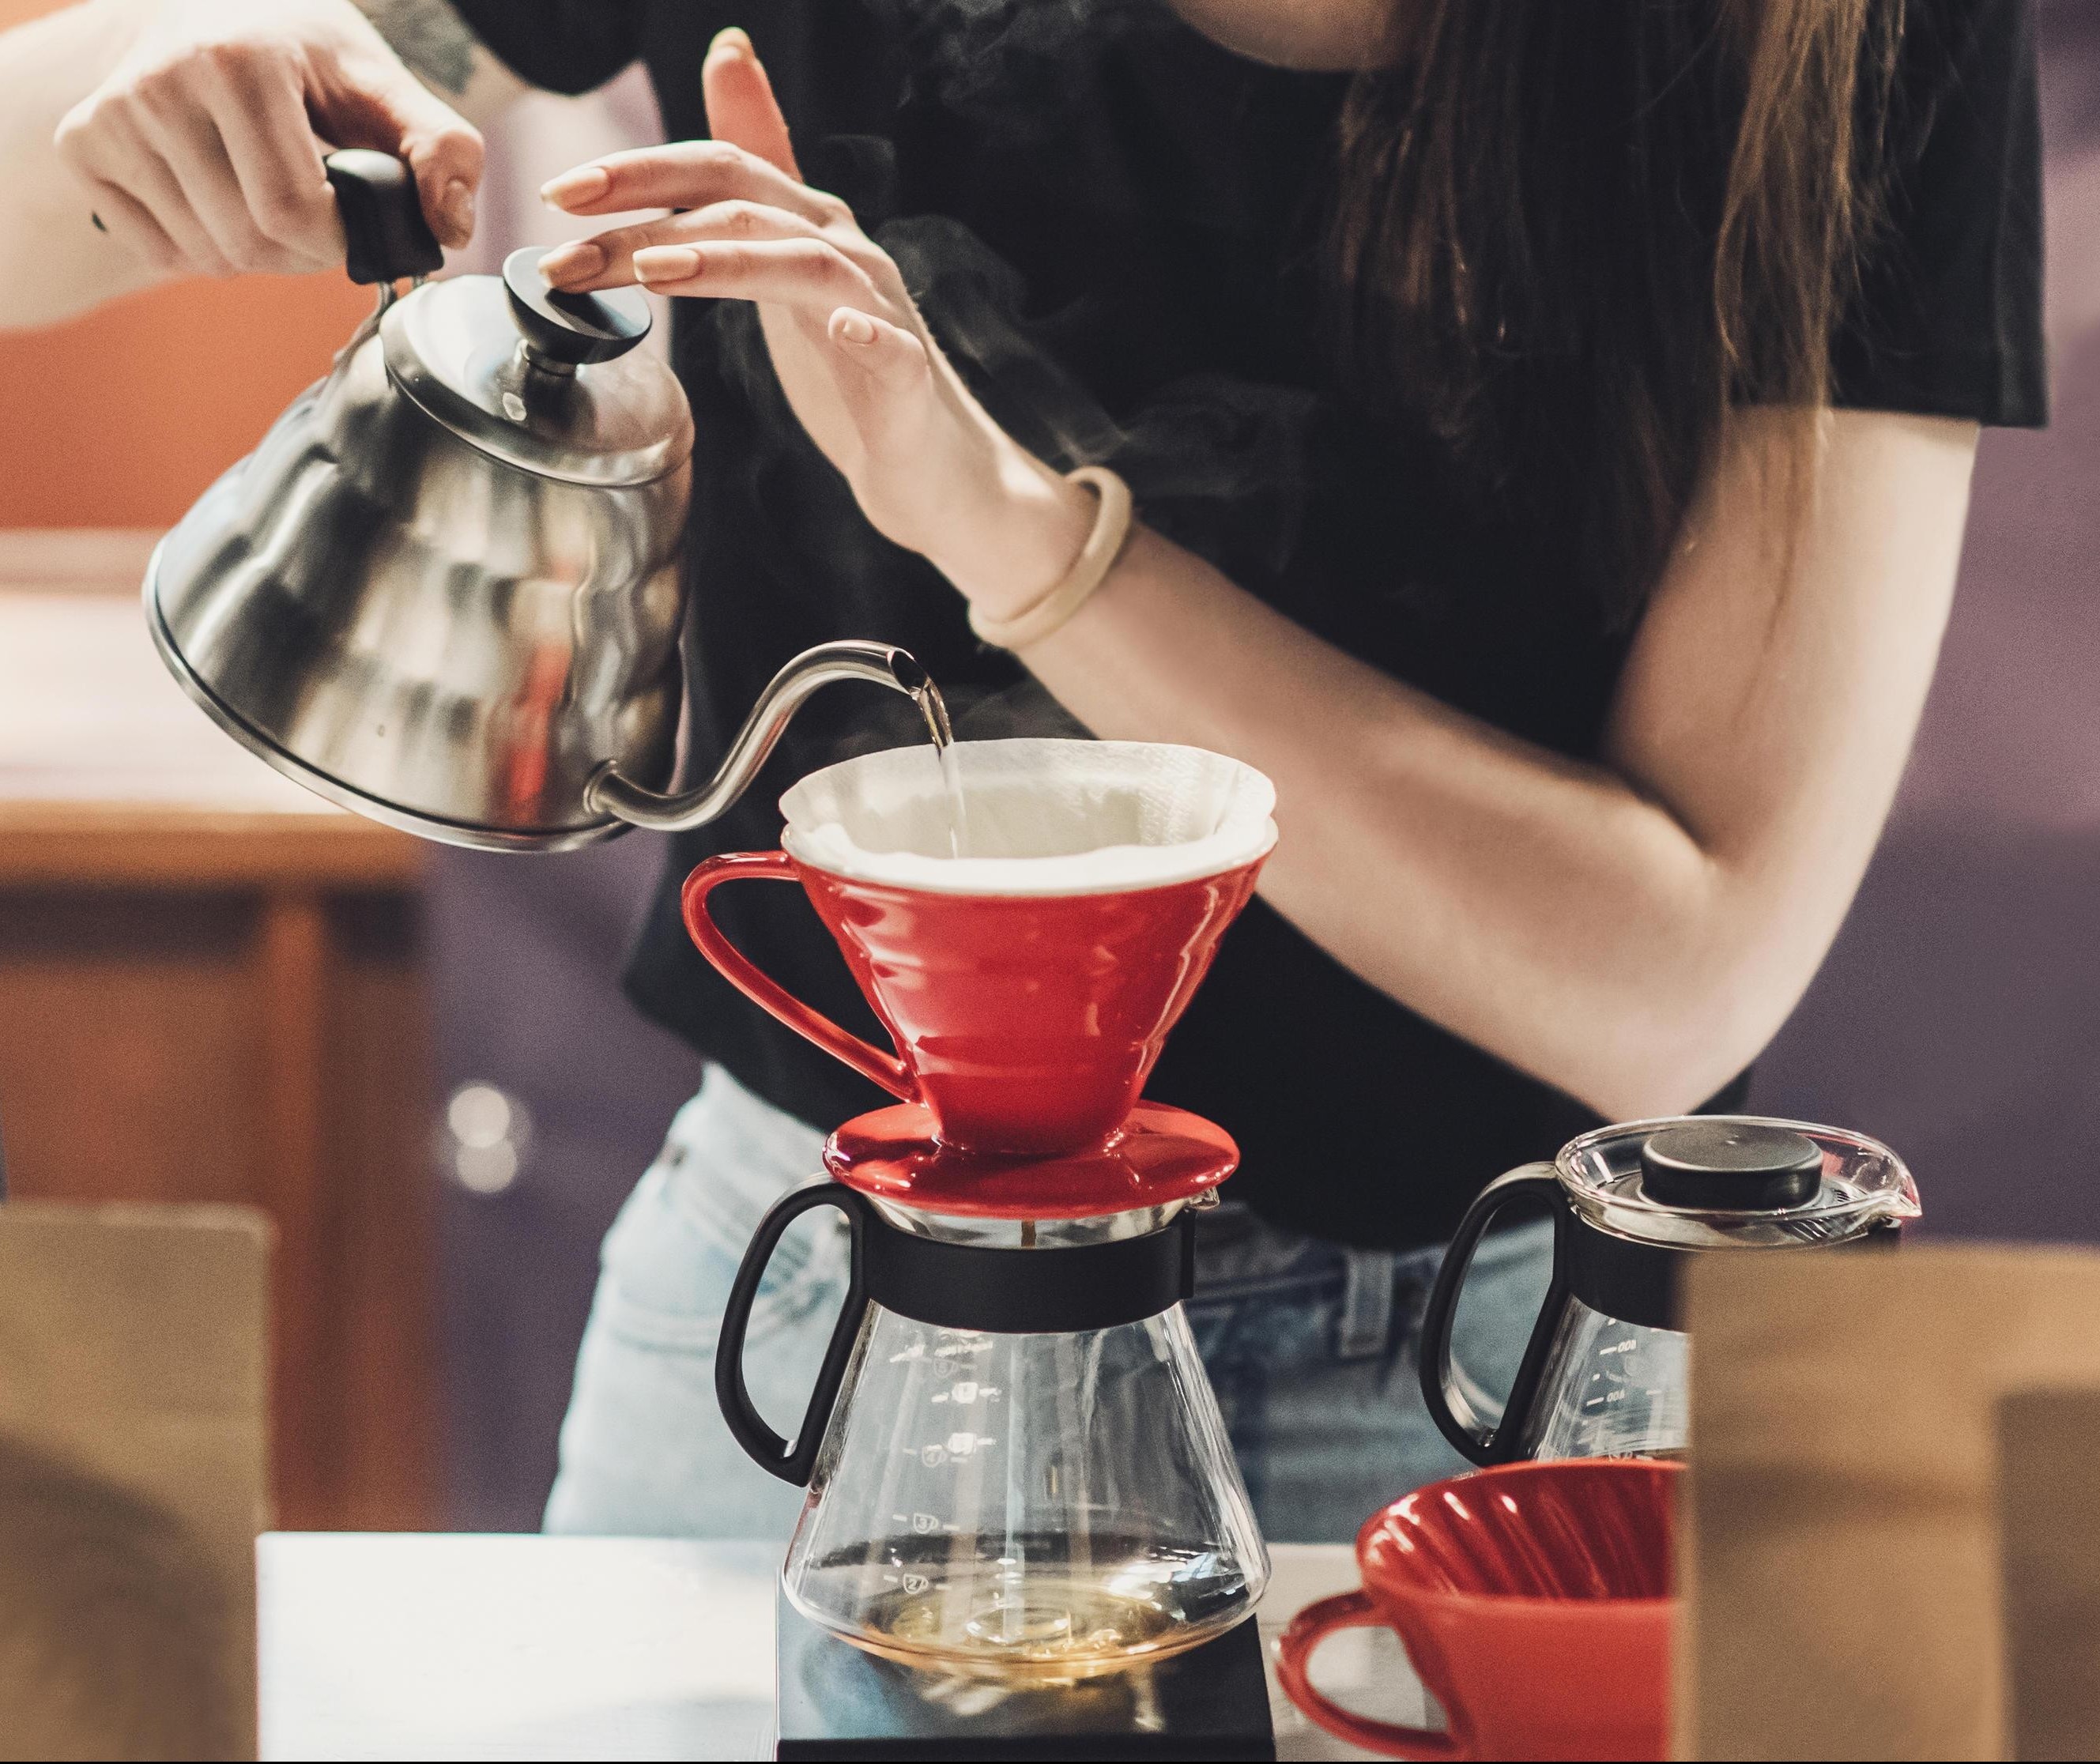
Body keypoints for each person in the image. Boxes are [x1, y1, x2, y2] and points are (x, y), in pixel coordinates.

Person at [0, 0, 2045, 1541]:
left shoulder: (1834, 44)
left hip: (1481, 1369)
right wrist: (183, 75)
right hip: (817, 1298)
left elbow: (1664, 981)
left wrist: (1010, 526)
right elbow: (38, 206)